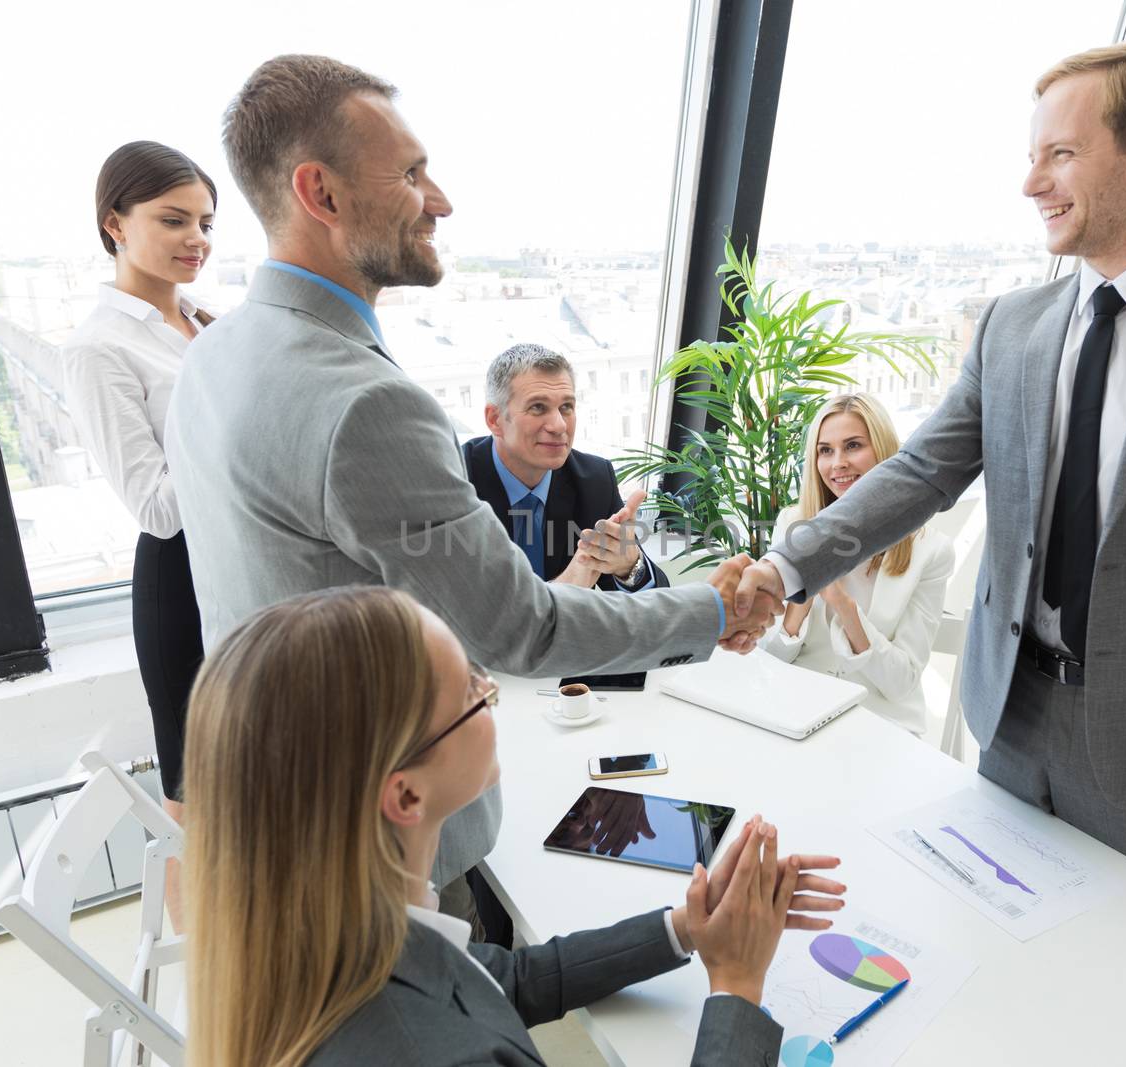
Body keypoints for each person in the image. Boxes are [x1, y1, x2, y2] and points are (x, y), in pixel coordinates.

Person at [734, 42, 1126, 896]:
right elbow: (920, 473)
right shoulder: (1011, 325)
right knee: (995, 942)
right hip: (1009, 715)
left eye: (1060, 155)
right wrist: (784, 567)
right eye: (1033, 158)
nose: (1033, 183)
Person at [165, 56, 781, 915]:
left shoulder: (214, 353)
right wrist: (715, 611)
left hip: (281, 800)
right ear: (322, 193)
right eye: (411, 173)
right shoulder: (367, 403)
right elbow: (521, 627)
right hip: (380, 842)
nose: (440, 200)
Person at [182, 585, 846, 1067]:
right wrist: (736, 987)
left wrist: (686, 930)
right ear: (406, 794)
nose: (487, 690)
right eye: (472, 692)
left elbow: (503, 977)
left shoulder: (324, 937)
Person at [62, 140, 216, 926]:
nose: (196, 238)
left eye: (205, 222)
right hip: (183, 581)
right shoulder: (99, 346)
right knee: (199, 797)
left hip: (241, 566)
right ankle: (208, 999)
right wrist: (234, 427)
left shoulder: (203, 322)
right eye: (174, 219)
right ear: (114, 223)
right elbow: (157, 506)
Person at [760, 394, 954, 735]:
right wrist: (802, 597)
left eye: (853, 446)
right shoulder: (794, 524)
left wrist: (843, 606)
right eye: (825, 450)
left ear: (883, 450)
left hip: (882, 726)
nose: (838, 463)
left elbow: (901, 683)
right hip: (796, 716)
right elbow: (769, 659)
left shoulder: (931, 550)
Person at [462, 343, 668, 590]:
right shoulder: (455, 482)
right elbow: (450, 613)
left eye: (566, 407)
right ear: (494, 419)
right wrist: (566, 587)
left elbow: (654, 609)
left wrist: (629, 566)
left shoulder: (593, 481)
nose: (559, 425)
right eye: (538, 407)